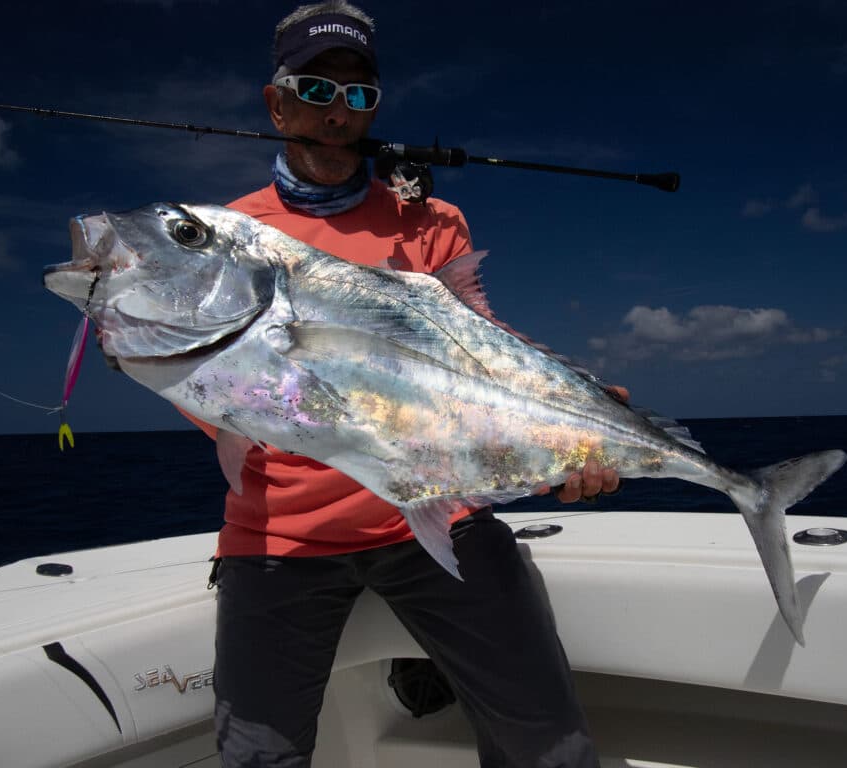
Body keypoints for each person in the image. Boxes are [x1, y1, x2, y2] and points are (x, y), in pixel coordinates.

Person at [189, 3, 621, 766]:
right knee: (255, 757)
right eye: (316, 89)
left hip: (435, 511)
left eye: (359, 97)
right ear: (276, 101)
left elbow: (482, 358)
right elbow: (217, 376)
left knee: (552, 749)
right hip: (281, 535)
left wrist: (570, 414)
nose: (337, 113)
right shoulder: (230, 238)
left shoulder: (428, 221)